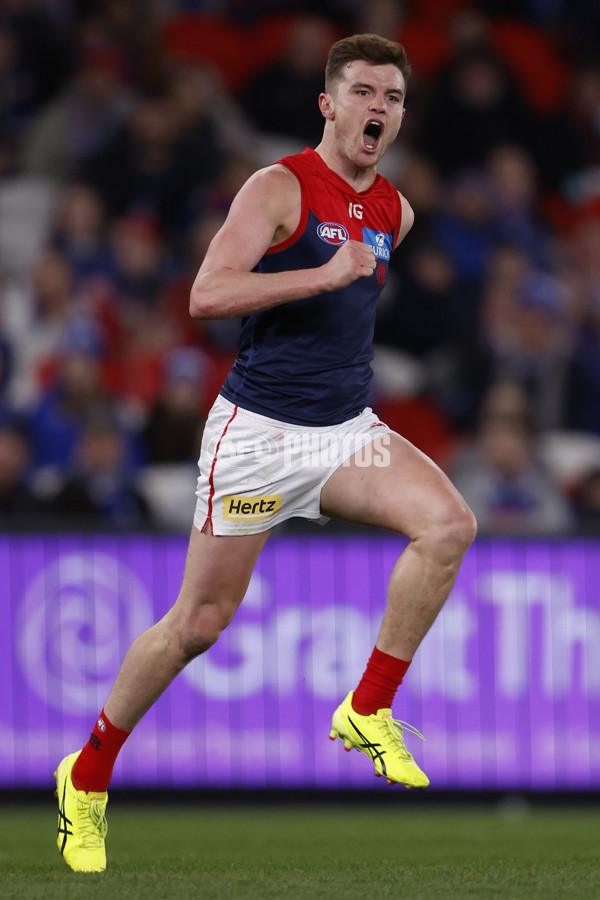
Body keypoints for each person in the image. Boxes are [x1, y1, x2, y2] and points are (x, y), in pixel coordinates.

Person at [54, 33, 477, 873]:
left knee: (449, 526)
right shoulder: (278, 185)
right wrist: (318, 275)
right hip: (258, 437)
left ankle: (368, 708)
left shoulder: (396, 208)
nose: (377, 110)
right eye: (362, 93)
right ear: (328, 103)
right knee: (198, 626)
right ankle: (88, 776)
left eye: (391, 98)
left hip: (343, 433)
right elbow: (207, 293)